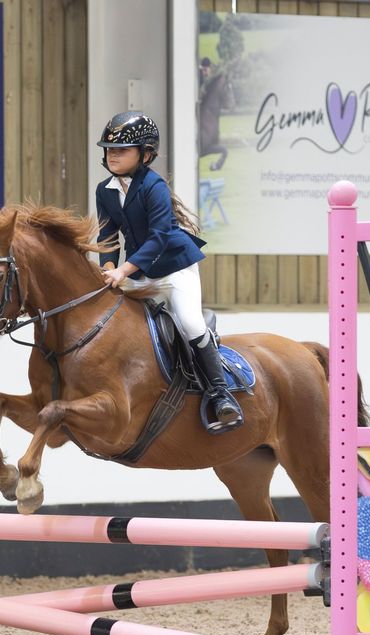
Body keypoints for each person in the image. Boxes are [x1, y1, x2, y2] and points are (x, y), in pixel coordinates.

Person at [95, 110, 243, 433]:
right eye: (109, 149)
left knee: (188, 321)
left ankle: (220, 394)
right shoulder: (104, 190)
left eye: (121, 149)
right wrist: (107, 268)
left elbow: (159, 237)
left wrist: (124, 271)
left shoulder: (154, 186)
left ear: (145, 154)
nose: (112, 154)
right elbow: (107, 236)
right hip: (137, 270)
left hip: (174, 266)